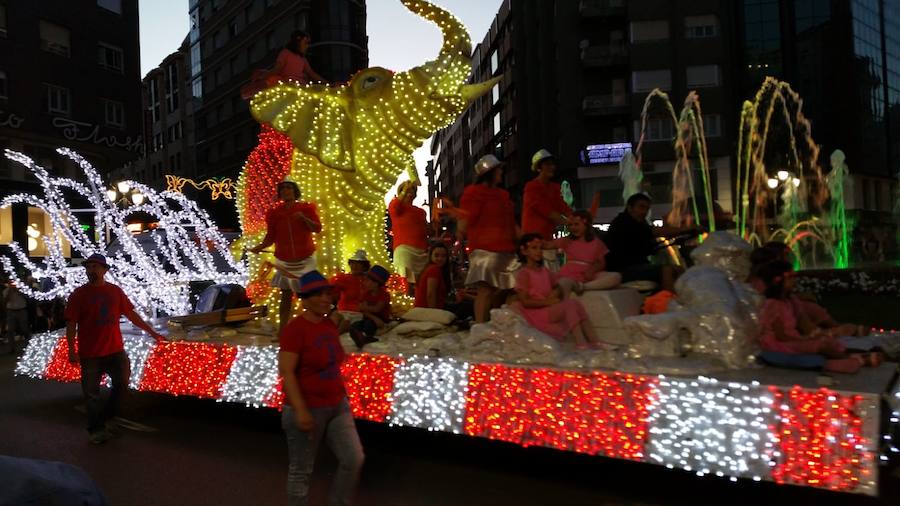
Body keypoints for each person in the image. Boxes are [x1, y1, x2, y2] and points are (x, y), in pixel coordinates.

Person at [278, 270, 363, 506]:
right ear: (304, 298)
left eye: (328, 294)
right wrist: (301, 410)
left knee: (353, 458)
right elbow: (287, 372)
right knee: (301, 469)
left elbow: (336, 357)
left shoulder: (328, 324)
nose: (326, 299)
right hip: (308, 406)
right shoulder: (295, 330)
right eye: (319, 294)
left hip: (337, 404)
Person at [64, 254, 165, 444]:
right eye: (89, 267)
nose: (91, 270)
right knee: (91, 394)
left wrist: (152, 332)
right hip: (90, 353)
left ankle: (106, 418)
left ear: (104, 270)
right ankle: (96, 430)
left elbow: (131, 314)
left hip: (115, 351)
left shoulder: (115, 292)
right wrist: (72, 349)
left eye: (95, 267)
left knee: (122, 385)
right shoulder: (79, 294)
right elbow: (71, 324)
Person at [756, 261, 880, 373]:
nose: (795, 279)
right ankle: (852, 358)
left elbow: (802, 322)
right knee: (820, 344)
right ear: (777, 280)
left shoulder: (788, 301)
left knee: (825, 339)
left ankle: (849, 355)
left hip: (793, 338)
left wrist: (811, 335)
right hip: (779, 344)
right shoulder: (772, 305)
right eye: (791, 276)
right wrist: (804, 339)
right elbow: (781, 336)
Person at [748, 242, 868, 337]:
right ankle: (826, 330)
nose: (787, 258)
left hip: (782, 304)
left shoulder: (763, 277)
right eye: (784, 255)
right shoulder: (763, 280)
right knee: (805, 307)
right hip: (777, 313)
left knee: (802, 305)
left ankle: (826, 329)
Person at [250, 178, 322, 330]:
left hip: (305, 257)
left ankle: (311, 328)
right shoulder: (274, 213)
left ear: (295, 191)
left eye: (288, 188)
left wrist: (303, 218)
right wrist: (258, 247)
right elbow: (270, 237)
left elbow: (317, 228)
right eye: (282, 189)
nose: (285, 191)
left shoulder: (306, 208)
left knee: (308, 294)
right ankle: (283, 330)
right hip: (284, 260)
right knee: (286, 295)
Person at [513, 234, 602, 349]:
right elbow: (525, 301)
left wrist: (555, 293)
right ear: (524, 251)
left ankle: (594, 340)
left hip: (547, 308)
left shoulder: (544, 270)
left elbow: (557, 286)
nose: (539, 252)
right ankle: (581, 343)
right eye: (534, 248)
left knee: (575, 304)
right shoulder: (524, 274)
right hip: (536, 313)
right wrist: (547, 302)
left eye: (540, 248)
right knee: (569, 305)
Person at [458, 155, 519, 323]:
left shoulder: (502, 195)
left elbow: (511, 223)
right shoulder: (474, 193)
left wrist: (524, 239)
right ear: (489, 172)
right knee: (486, 290)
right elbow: (465, 219)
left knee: (510, 288)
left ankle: (498, 324)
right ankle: (481, 326)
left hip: (506, 250)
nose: (501, 172)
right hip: (486, 251)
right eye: (498, 169)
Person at [604, 193, 692, 292]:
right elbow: (656, 231)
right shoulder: (624, 222)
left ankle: (682, 299)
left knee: (679, 269)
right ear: (630, 208)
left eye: (647, 208)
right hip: (622, 269)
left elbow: (657, 235)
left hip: (636, 267)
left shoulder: (639, 223)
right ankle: (667, 302)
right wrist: (688, 228)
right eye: (641, 207)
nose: (644, 212)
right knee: (667, 270)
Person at [547, 210, 621, 297]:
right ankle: (573, 287)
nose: (573, 227)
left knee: (616, 276)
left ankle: (583, 287)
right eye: (571, 225)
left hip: (588, 274)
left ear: (586, 225)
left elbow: (601, 262)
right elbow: (548, 245)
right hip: (570, 273)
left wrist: (591, 270)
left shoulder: (596, 242)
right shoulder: (567, 240)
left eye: (576, 224)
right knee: (563, 282)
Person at [522, 149, 573, 271]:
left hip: (547, 240)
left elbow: (563, 207)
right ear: (539, 167)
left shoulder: (554, 188)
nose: (552, 167)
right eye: (548, 164)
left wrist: (576, 218)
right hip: (533, 242)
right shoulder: (531, 187)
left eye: (552, 164)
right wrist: (572, 223)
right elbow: (547, 211)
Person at [388, 181, 429, 293]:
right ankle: (405, 303)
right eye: (407, 192)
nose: (410, 194)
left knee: (420, 282)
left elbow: (425, 230)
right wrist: (405, 189)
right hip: (404, 249)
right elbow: (394, 205)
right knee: (405, 279)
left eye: (412, 191)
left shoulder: (421, 212)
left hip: (421, 250)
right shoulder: (396, 208)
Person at [348, 265, 391, 349]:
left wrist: (366, 309)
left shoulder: (384, 295)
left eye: (367, 281)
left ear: (376, 283)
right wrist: (372, 316)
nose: (364, 283)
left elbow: (377, 309)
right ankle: (359, 336)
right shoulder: (366, 293)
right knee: (355, 325)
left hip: (381, 318)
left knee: (369, 325)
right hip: (369, 317)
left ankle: (366, 337)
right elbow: (361, 308)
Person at [414, 243, 452, 309]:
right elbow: (430, 294)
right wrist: (433, 314)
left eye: (443, 256)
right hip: (427, 311)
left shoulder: (430, 268)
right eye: (436, 255)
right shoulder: (434, 269)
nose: (440, 258)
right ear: (431, 256)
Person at [2, 279, 30, 354]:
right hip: (11, 311)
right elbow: (5, 301)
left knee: (24, 329)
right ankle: (11, 348)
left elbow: (27, 297)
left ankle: (28, 345)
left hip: (21, 310)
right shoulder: (6, 291)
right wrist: (10, 292)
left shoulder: (22, 289)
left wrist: (19, 291)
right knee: (10, 330)